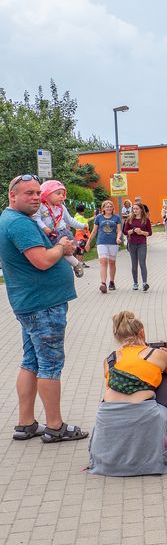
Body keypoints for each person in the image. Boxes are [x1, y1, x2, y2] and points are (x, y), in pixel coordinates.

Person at [1, 174, 88, 443]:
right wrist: (62, 247)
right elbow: (42, 261)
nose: (36, 197)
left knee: (31, 362)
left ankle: (26, 423)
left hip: (31, 303)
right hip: (42, 305)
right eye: (29, 193)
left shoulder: (13, 220)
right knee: (50, 365)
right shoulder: (20, 224)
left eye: (38, 192)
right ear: (12, 195)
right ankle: (55, 427)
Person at [88, 310, 167, 476]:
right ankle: (156, 441)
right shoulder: (159, 355)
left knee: (117, 389)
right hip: (145, 415)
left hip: (106, 417)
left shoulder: (109, 360)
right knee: (166, 381)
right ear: (142, 332)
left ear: (118, 337)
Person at [32, 180, 88, 277]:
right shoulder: (41, 206)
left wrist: (82, 225)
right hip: (52, 234)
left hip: (64, 232)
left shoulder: (61, 207)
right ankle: (76, 263)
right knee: (62, 252)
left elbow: (70, 220)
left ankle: (73, 263)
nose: (62, 196)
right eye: (58, 193)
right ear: (47, 193)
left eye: (63, 194)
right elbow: (36, 218)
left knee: (69, 250)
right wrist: (44, 228)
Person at [87, 200, 123, 293]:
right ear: (103, 208)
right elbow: (94, 231)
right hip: (101, 242)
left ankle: (112, 281)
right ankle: (103, 284)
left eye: (110, 206)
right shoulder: (99, 217)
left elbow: (119, 230)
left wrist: (118, 238)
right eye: (107, 207)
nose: (109, 208)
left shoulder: (116, 218)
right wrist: (88, 242)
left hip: (113, 242)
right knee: (103, 262)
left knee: (112, 263)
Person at [123, 203, 152, 291]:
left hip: (142, 244)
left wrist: (142, 232)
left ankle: (144, 283)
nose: (135, 210)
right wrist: (133, 230)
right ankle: (135, 283)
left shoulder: (146, 220)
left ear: (141, 210)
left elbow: (150, 233)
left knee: (142, 263)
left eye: (137, 209)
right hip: (132, 244)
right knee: (134, 264)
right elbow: (125, 231)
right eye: (134, 209)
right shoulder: (129, 219)